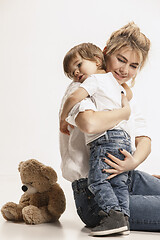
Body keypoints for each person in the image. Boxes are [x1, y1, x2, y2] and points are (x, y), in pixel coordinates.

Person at [59, 22, 160, 234]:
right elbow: (89, 122)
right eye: (121, 60)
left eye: (133, 66)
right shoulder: (85, 85)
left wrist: (133, 161)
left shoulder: (119, 93)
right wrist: (124, 113)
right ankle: (113, 217)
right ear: (105, 53)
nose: (125, 70)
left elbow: (144, 139)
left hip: (127, 176)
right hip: (94, 194)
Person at [60, 42, 133, 236]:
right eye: (70, 72)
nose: (75, 73)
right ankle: (123, 218)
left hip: (105, 139)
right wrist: (124, 108)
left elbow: (74, 98)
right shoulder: (113, 82)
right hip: (123, 138)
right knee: (118, 183)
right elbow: (129, 94)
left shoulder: (92, 80)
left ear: (97, 60)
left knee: (97, 180)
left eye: (78, 65)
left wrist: (63, 118)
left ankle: (113, 215)